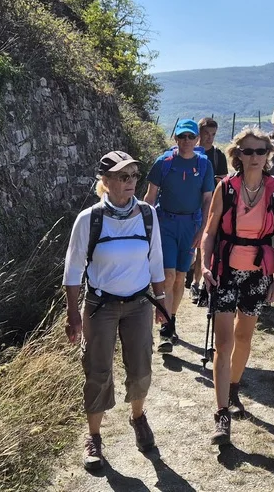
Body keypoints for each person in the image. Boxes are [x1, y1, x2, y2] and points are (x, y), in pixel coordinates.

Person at [64, 150, 169, 472]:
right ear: (105, 181)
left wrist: (161, 300)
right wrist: (72, 313)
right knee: (97, 371)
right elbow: (72, 269)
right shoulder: (89, 219)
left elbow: (155, 260)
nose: (131, 181)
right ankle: (94, 437)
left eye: (134, 175)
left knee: (141, 367)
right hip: (100, 306)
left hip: (139, 304)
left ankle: (138, 417)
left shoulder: (147, 215)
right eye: (123, 176)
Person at [199, 127, 274, 445]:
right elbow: (210, 231)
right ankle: (221, 414)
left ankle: (234, 388)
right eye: (248, 151)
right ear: (237, 154)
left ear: (268, 155)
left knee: (243, 337)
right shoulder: (226, 187)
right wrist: (204, 265)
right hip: (225, 271)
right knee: (224, 344)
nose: (254, 157)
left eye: (260, 151)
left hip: (257, 273)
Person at [145, 119, 215, 352]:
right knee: (168, 274)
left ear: (197, 139)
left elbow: (207, 200)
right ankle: (166, 329)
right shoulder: (163, 163)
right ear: (175, 138)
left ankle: (171, 319)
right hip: (165, 224)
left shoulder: (204, 165)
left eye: (190, 136)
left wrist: (202, 230)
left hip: (190, 226)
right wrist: (145, 228)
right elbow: (150, 197)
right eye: (182, 136)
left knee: (180, 277)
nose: (186, 140)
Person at [189, 117, 229, 304]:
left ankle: (196, 283)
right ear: (199, 133)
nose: (209, 138)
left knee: (202, 246)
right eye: (206, 134)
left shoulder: (218, 156)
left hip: (210, 205)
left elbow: (224, 182)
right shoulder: (189, 152)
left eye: (213, 134)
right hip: (188, 206)